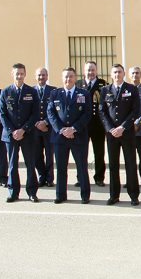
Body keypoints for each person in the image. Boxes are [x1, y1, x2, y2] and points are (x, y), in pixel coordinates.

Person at [98, 63, 141, 206]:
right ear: (111, 75)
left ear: (124, 74)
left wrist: (123, 127)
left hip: (127, 132)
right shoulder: (105, 90)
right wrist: (111, 129)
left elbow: (135, 111)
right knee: (113, 165)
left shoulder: (132, 89)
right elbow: (102, 112)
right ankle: (114, 195)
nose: (117, 75)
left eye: (120, 72)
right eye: (115, 72)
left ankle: (134, 195)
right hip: (112, 134)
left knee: (130, 164)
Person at [47, 67, 92, 204]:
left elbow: (87, 114)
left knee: (82, 167)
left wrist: (73, 129)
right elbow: (51, 113)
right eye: (66, 77)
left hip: (78, 137)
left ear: (75, 78)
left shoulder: (83, 93)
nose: (68, 79)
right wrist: (61, 130)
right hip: (60, 137)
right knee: (61, 168)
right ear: (62, 78)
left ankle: (85, 195)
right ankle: (60, 195)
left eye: (71, 76)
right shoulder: (55, 93)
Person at [0, 63, 41, 203]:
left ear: (25, 74)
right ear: (12, 74)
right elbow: (2, 114)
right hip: (11, 135)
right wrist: (12, 131)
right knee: (12, 165)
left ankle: (32, 192)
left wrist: (23, 129)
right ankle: (13, 192)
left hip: (27, 134)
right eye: (17, 73)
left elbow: (35, 114)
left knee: (30, 164)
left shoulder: (31, 91)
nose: (19, 76)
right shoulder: (5, 92)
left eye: (21, 73)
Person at [81, 61, 108, 187]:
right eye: (88, 70)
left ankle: (99, 177)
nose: (90, 72)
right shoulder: (78, 84)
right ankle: (81, 177)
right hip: (82, 125)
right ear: (84, 71)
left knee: (99, 152)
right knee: (81, 153)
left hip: (98, 125)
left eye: (92, 70)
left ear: (96, 71)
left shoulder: (103, 84)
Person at [33, 67, 57, 188]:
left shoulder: (54, 91)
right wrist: (37, 124)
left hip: (49, 129)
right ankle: (41, 176)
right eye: (39, 75)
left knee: (49, 155)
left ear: (47, 76)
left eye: (43, 75)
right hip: (35, 129)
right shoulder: (30, 91)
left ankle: (49, 178)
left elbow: (55, 111)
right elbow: (28, 111)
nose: (41, 77)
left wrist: (46, 123)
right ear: (35, 77)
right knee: (37, 155)